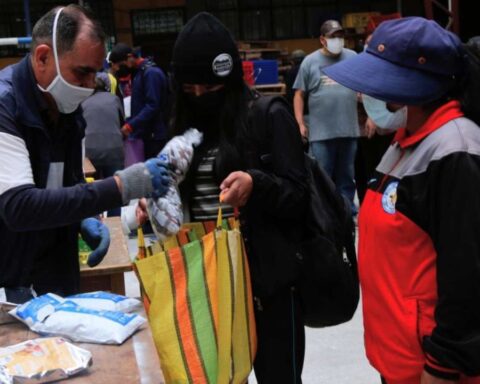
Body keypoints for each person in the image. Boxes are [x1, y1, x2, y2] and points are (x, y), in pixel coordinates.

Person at [323, 17, 480, 384]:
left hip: (433, 369)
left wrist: (442, 365)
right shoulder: (408, 137)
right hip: (398, 358)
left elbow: (468, 274)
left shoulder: (457, 150)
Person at [170, 12, 308, 383]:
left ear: (228, 82)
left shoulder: (267, 116)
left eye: (209, 89)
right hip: (207, 284)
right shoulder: (183, 129)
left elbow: (299, 196)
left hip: (268, 288)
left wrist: (256, 183)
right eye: (189, 89)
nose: (199, 97)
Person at [0, 5, 171, 304]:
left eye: (96, 74)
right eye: (82, 72)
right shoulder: (5, 106)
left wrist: (84, 217)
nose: (90, 86)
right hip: (10, 276)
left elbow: (68, 181)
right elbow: (18, 205)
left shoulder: (65, 107)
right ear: (42, 57)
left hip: (54, 272)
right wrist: (119, 187)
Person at [293, 19, 360, 215]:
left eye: (340, 36)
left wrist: (372, 115)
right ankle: (325, 216)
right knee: (323, 177)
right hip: (321, 134)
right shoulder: (310, 62)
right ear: (322, 40)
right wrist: (299, 123)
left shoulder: (353, 57)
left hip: (349, 130)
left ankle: (347, 215)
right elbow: (299, 94)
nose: (338, 40)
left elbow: (365, 87)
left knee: (347, 177)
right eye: (333, 37)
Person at [109, 42, 170, 159]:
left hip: (155, 136)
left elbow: (152, 106)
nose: (118, 69)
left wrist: (130, 126)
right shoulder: (138, 73)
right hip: (146, 135)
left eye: (120, 65)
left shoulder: (150, 73)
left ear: (129, 58)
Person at [82, 72, 125, 216]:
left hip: (90, 151)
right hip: (114, 149)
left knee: (90, 190)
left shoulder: (83, 102)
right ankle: (115, 223)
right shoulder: (114, 99)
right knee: (115, 188)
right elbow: (122, 121)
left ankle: (94, 221)